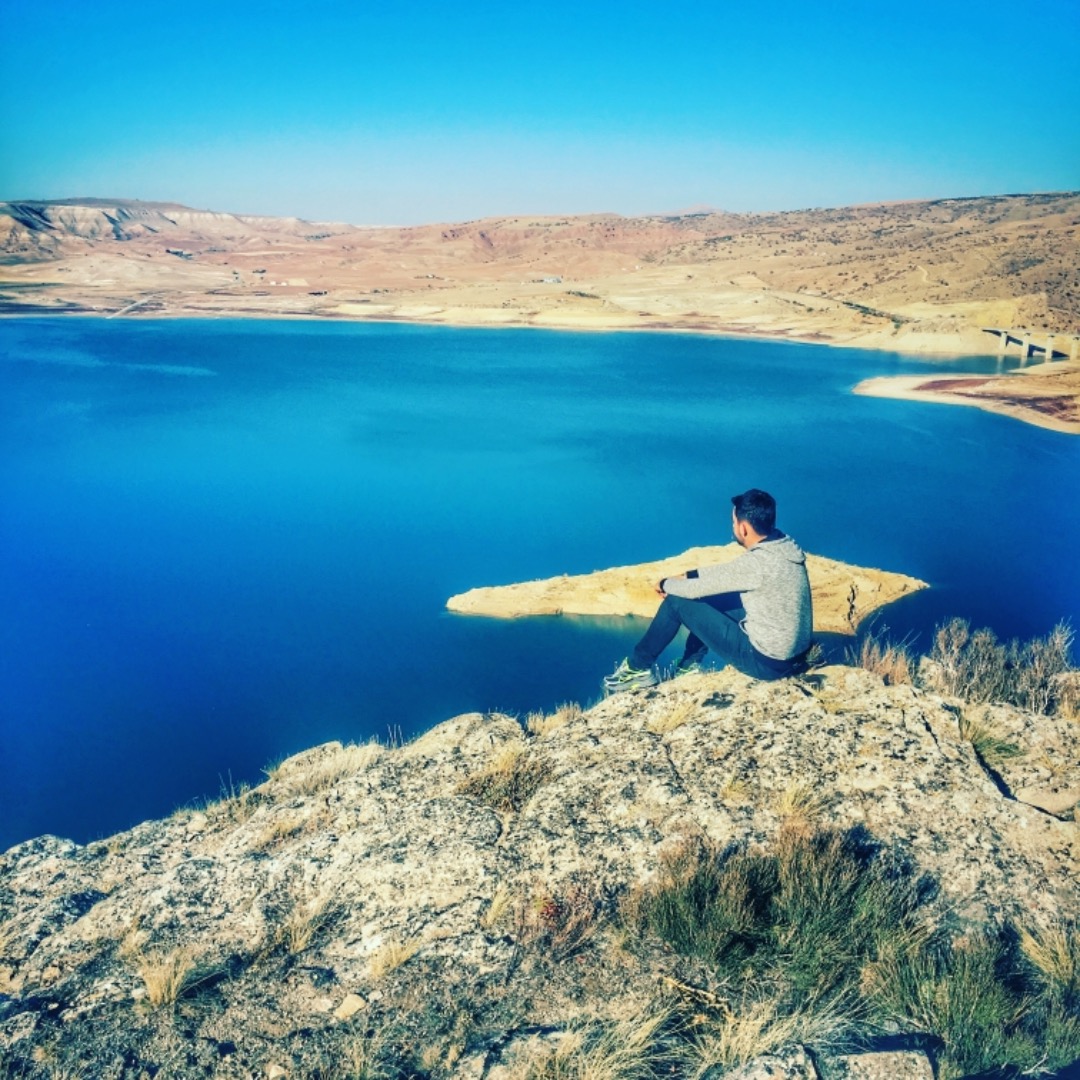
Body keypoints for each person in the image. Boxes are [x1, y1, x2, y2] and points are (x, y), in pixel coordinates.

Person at [603, 489, 812, 693]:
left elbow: (693, 591)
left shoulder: (757, 563)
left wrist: (665, 584)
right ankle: (689, 665)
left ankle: (637, 668)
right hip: (794, 655)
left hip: (767, 664)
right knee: (713, 595)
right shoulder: (781, 546)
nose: (732, 527)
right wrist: (690, 574)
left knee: (677, 601)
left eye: (733, 523)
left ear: (743, 529)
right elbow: (727, 573)